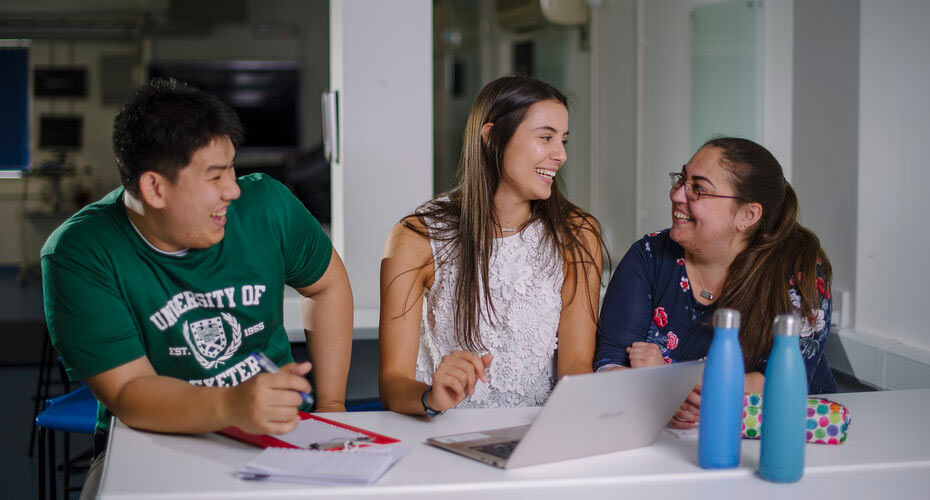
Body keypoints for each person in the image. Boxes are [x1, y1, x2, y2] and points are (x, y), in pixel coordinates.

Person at [41, 78, 353, 496]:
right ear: (155, 188)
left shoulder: (268, 207)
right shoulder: (80, 252)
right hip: (152, 438)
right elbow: (129, 392)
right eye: (216, 176)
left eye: (232, 169)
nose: (233, 189)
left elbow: (328, 285)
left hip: (280, 434)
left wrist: (331, 407)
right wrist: (232, 405)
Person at [378, 76, 606, 416]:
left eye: (563, 140)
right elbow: (393, 383)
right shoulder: (417, 236)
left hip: (536, 437)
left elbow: (574, 367)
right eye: (545, 137)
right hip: (441, 436)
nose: (560, 155)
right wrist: (431, 397)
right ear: (490, 137)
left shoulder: (577, 234)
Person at [596, 137, 836, 429]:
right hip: (668, 444)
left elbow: (783, 382)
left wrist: (669, 383)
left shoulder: (799, 272)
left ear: (747, 215)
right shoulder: (648, 257)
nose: (677, 195)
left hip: (782, 439)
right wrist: (659, 399)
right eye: (682, 179)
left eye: (698, 189)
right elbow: (609, 365)